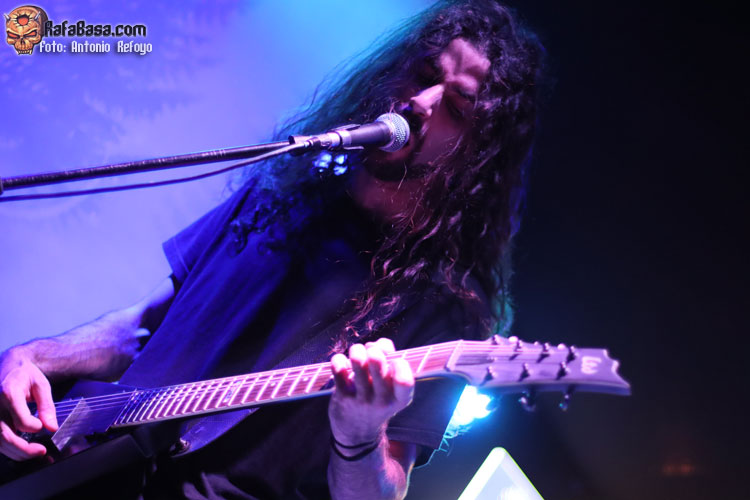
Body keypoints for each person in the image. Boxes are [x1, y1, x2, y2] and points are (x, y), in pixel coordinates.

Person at [0, 1, 544, 498]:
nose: (420, 103)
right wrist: (33, 357)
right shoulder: (288, 182)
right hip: (84, 466)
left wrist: (359, 434)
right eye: (424, 75)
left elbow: (382, 493)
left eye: (457, 107)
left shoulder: (446, 307)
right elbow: (144, 326)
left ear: (476, 150)